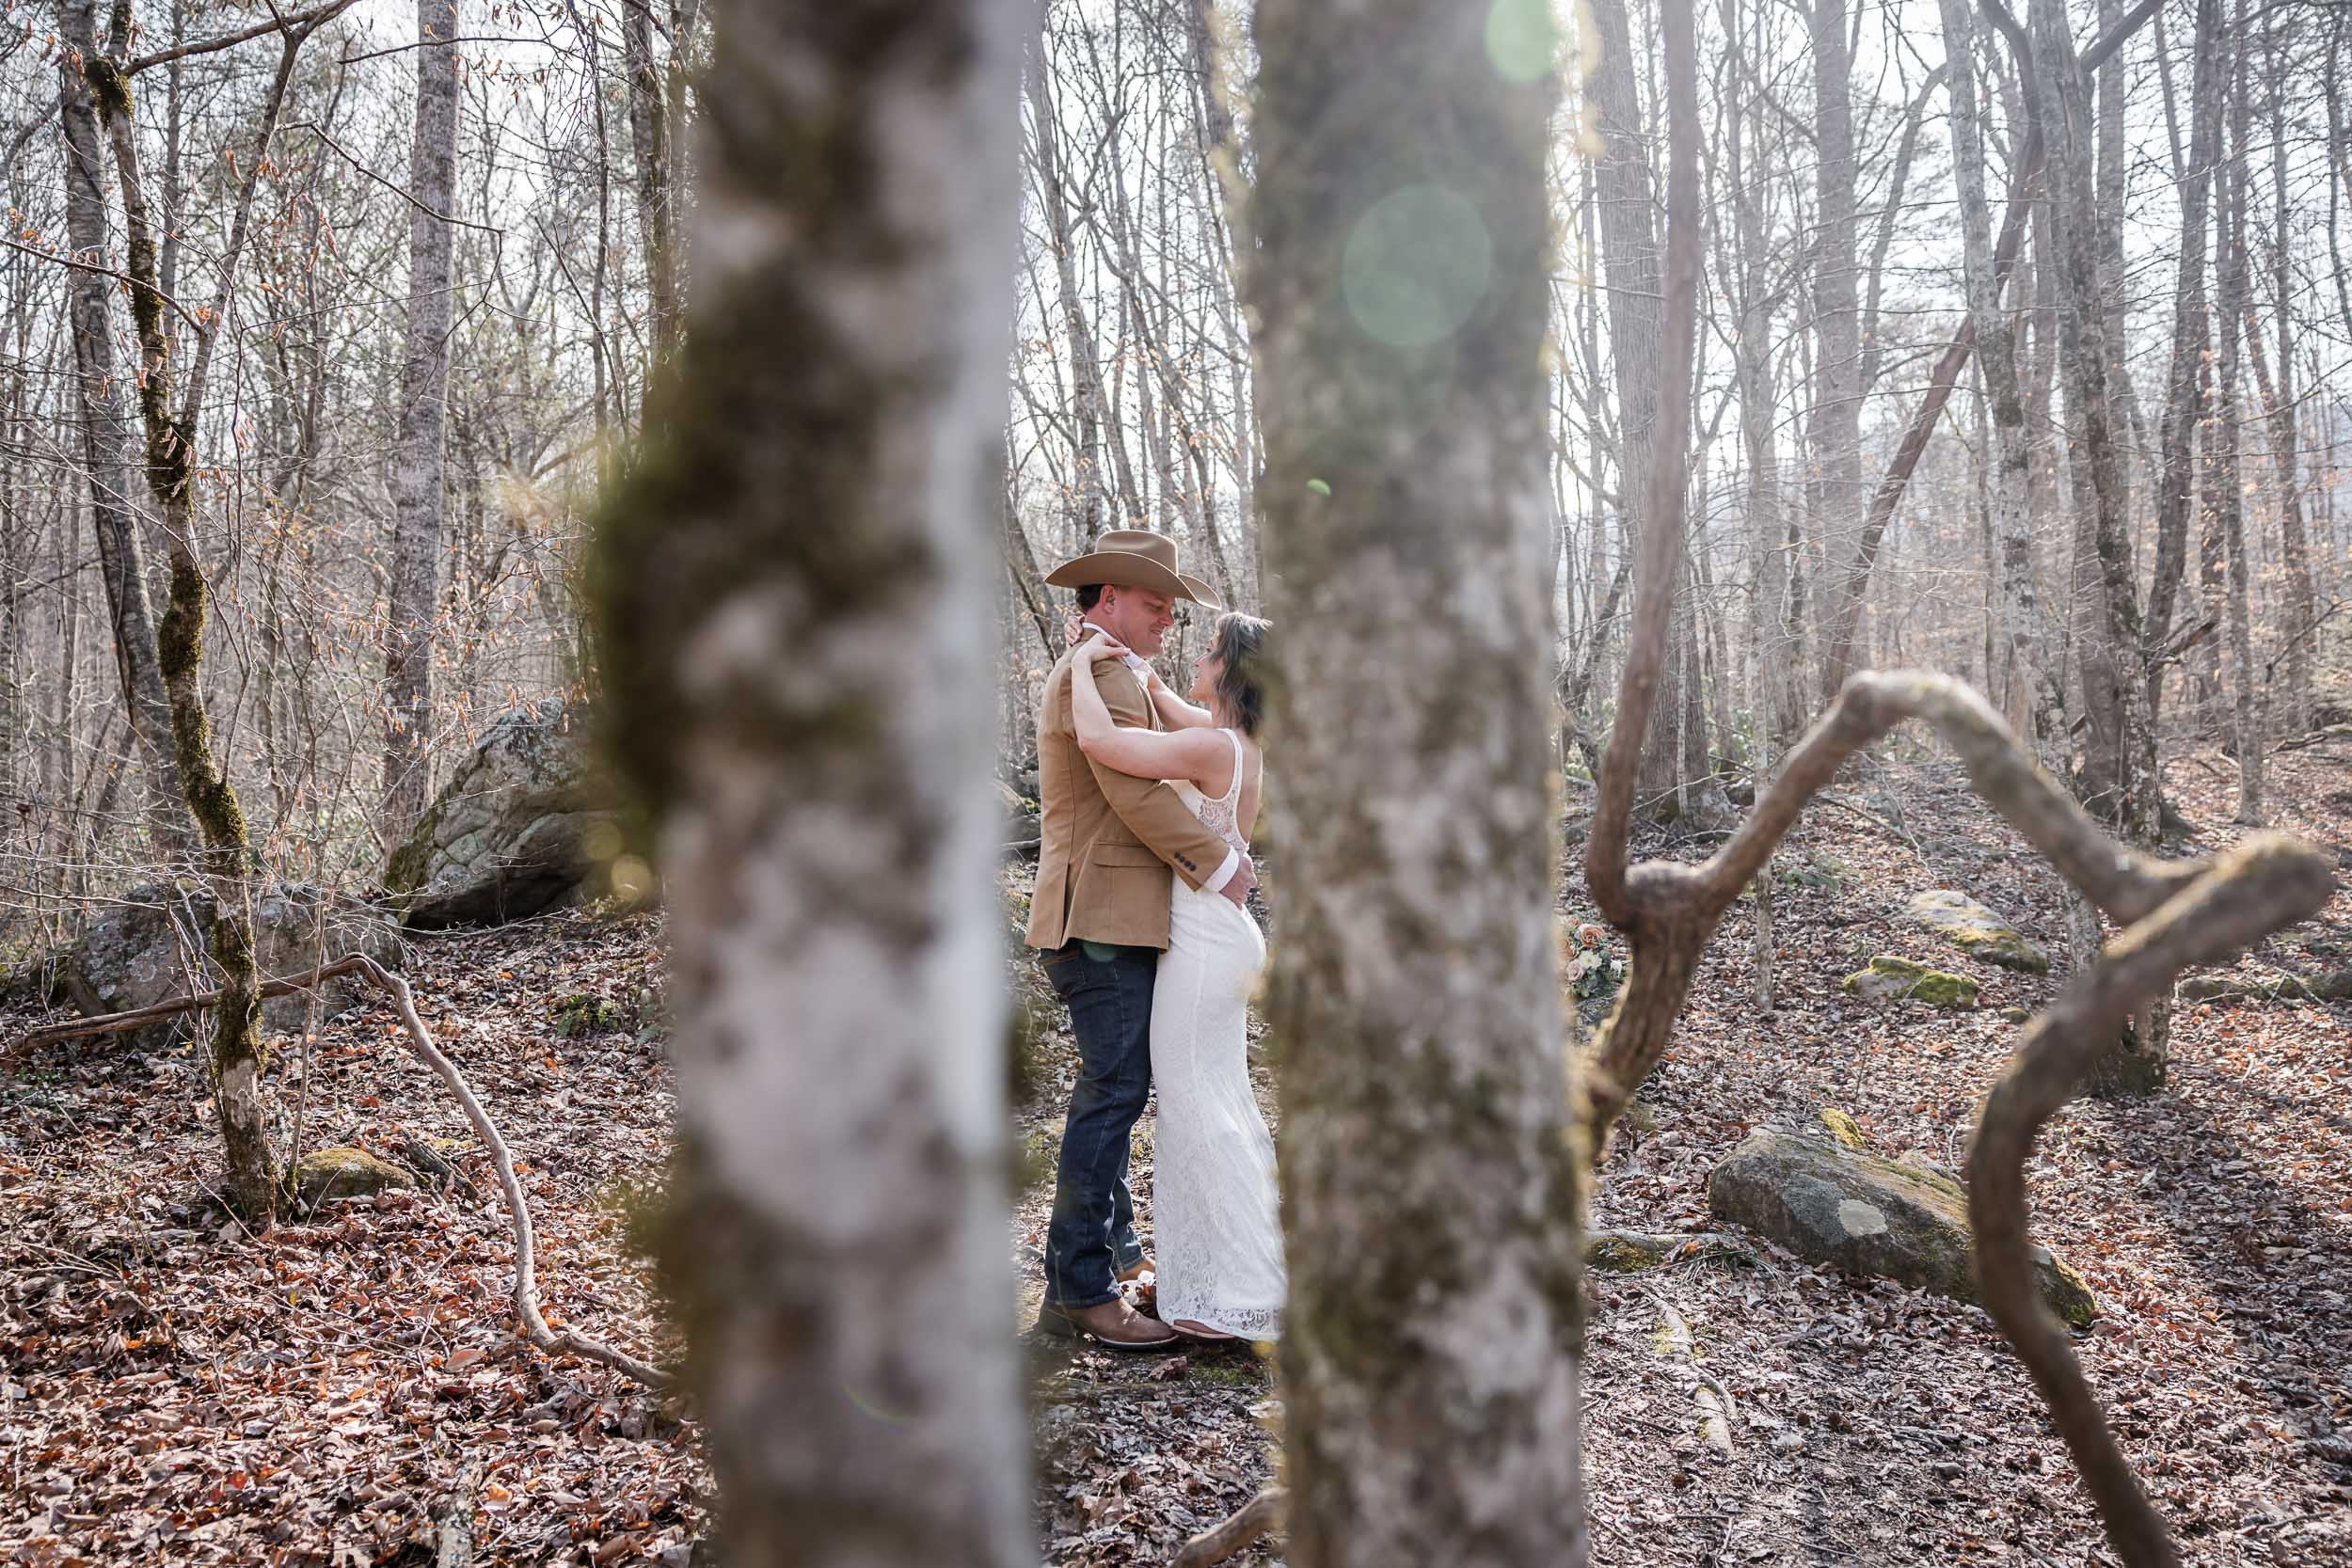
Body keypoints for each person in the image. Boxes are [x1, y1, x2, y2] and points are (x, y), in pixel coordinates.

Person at [1025, 531, 1255, 1350]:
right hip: (1099, 920)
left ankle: (1110, 1261)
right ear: (1109, 596)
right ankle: (1081, 1290)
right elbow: (1132, 792)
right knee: (1113, 1092)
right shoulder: (1103, 672)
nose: (1168, 620)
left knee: (1118, 1087)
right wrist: (1218, 861)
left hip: (1116, 918)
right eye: (1156, 605)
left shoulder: (1117, 670)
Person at [1069, 610, 1283, 1344]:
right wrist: (1135, 666)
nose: (1197, 654)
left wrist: (1078, 668)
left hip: (1202, 946)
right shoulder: (1233, 739)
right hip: (1224, 940)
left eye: (1211, 649)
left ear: (1230, 670)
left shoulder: (1205, 744)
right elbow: (1167, 697)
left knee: (1197, 1108)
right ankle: (1229, 1284)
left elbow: (1102, 741)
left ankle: (1230, 1299)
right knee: (1221, 1103)